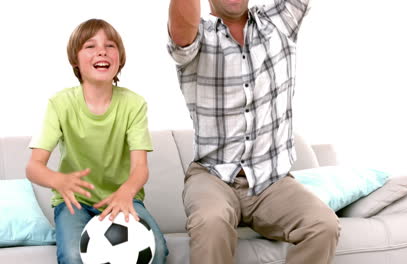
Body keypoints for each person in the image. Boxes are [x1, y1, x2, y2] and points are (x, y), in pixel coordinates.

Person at [167, 0, 340, 263]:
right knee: (211, 222)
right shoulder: (198, 35)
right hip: (213, 176)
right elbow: (181, 32)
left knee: (323, 225)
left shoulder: (278, 21)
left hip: (271, 181)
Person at [26, 18, 168, 264]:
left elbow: (140, 167)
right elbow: (33, 166)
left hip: (123, 197)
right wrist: (58, 180)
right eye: (90, 46)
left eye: (110, 45)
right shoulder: (60, 104)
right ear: (75, 60)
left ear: (119, 59)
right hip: (74, 202)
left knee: (157, 252)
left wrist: (126, 191)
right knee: (73, 255)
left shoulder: (134, 104)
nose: (102, 50)